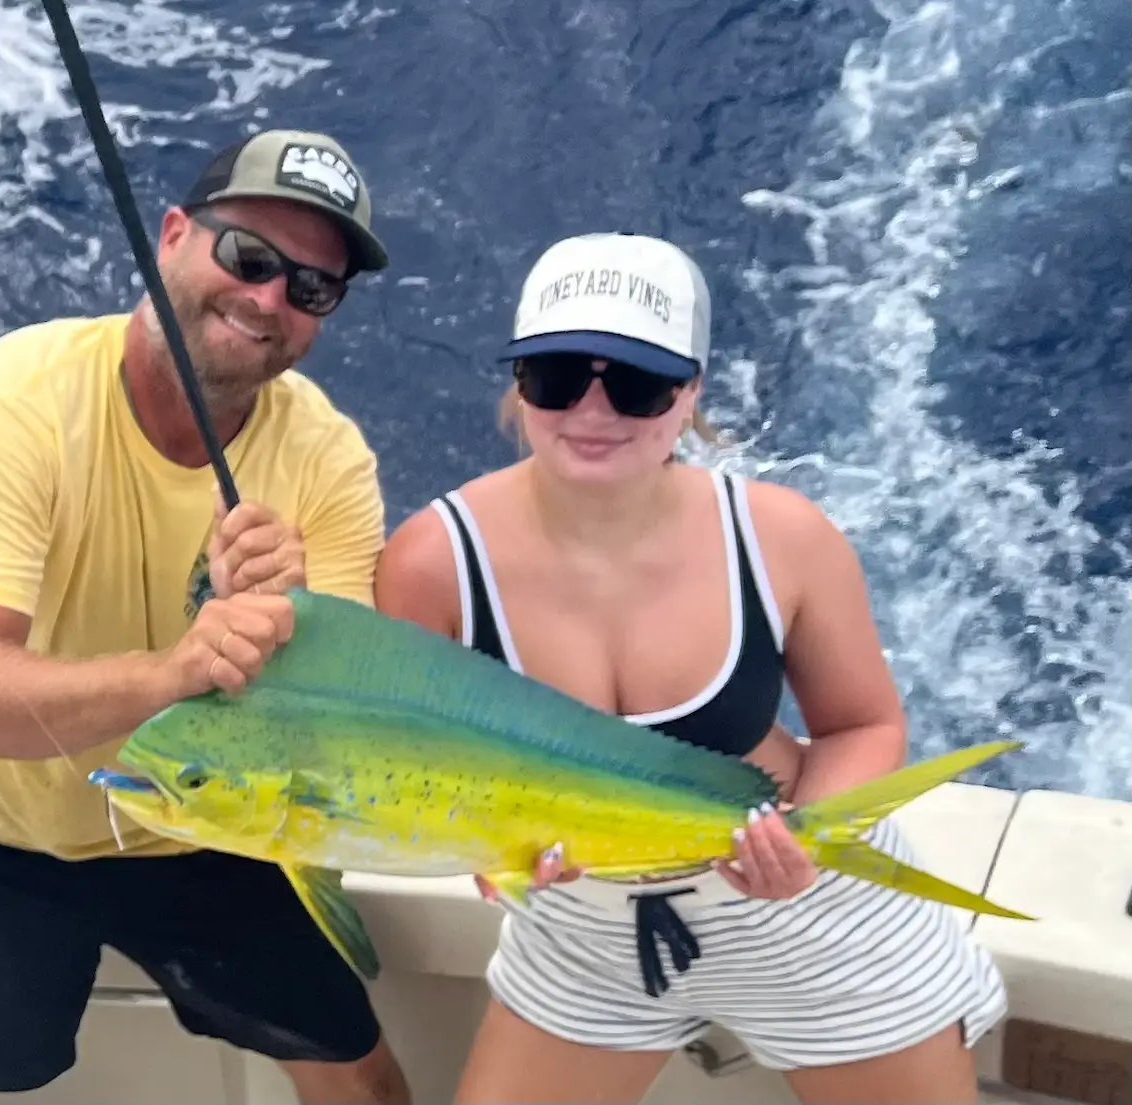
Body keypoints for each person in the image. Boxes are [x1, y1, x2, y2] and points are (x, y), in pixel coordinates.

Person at [374, 231, 1009, 1105]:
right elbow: (421, 769)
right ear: (518, 384)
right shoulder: (430, 562)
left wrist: (806, 840)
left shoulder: (784, 537)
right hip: (582, 933)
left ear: (691, 392)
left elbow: (864, 724)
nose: (593, 411)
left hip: (806, 910)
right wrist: (482, 846)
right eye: (557, 376)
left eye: (636, 383)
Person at [0, 128, 410, 1105]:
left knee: (365, 1083)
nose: (269, 298)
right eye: (249, 256)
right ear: (174, 235)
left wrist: (297, 622)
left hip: (212, 827)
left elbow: (342, 732)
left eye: (311, 287)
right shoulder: (15, 402)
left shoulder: (327, 456)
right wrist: (177, 669)